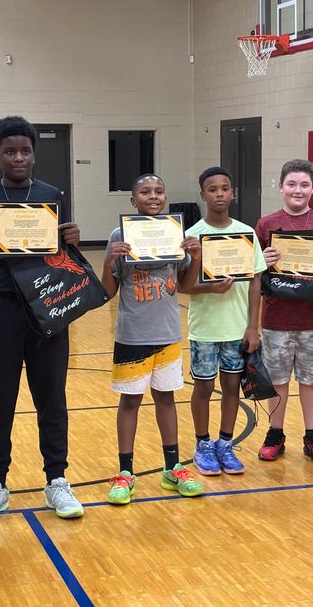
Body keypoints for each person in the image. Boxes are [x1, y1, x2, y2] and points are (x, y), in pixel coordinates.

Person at [0, 116, 83, 520]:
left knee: (52, 398)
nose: (18, 157)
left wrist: (72, 242)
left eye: (25, 150)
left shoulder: (51, 194)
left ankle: (56, 481)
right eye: (9, 151)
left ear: (34, 153)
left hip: (46, 304)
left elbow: (63, 258)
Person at [102, 174, 205, 504]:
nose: (154, 196)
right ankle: (125, 473)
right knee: (130, 401)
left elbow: (186, 285)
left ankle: (172, 467)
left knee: (166, 399)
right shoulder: (120, 235)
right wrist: (108, 262)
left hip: (168, 333)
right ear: (133, 200)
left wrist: (197, 256)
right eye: (145, 192)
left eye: (159, 190)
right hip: (133, 336)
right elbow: (107, 291)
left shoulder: (177, 234)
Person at [254, 159, 313, 464]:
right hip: (276, 316)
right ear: (281, 187)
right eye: (291, 184)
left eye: (304, 184)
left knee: (311, 379)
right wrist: (262, 261)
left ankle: (312, 434)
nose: (298, 190)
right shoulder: (266, 224)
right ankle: (275, 433)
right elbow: (252, 271)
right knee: (277, 379)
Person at [179, 167, 266, 475]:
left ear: (232, 193)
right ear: (203, 195)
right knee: (203, 388)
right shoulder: (191, 236)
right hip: (205, 327)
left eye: (224, 188)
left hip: (236, 327)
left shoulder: (246, 233)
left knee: (232, 387)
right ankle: (202, 444)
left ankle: (225, 443)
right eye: (212, 189)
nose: (219, 193)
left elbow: (256, 280)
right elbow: (183, 287)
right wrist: (210, 287)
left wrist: (252, 326)